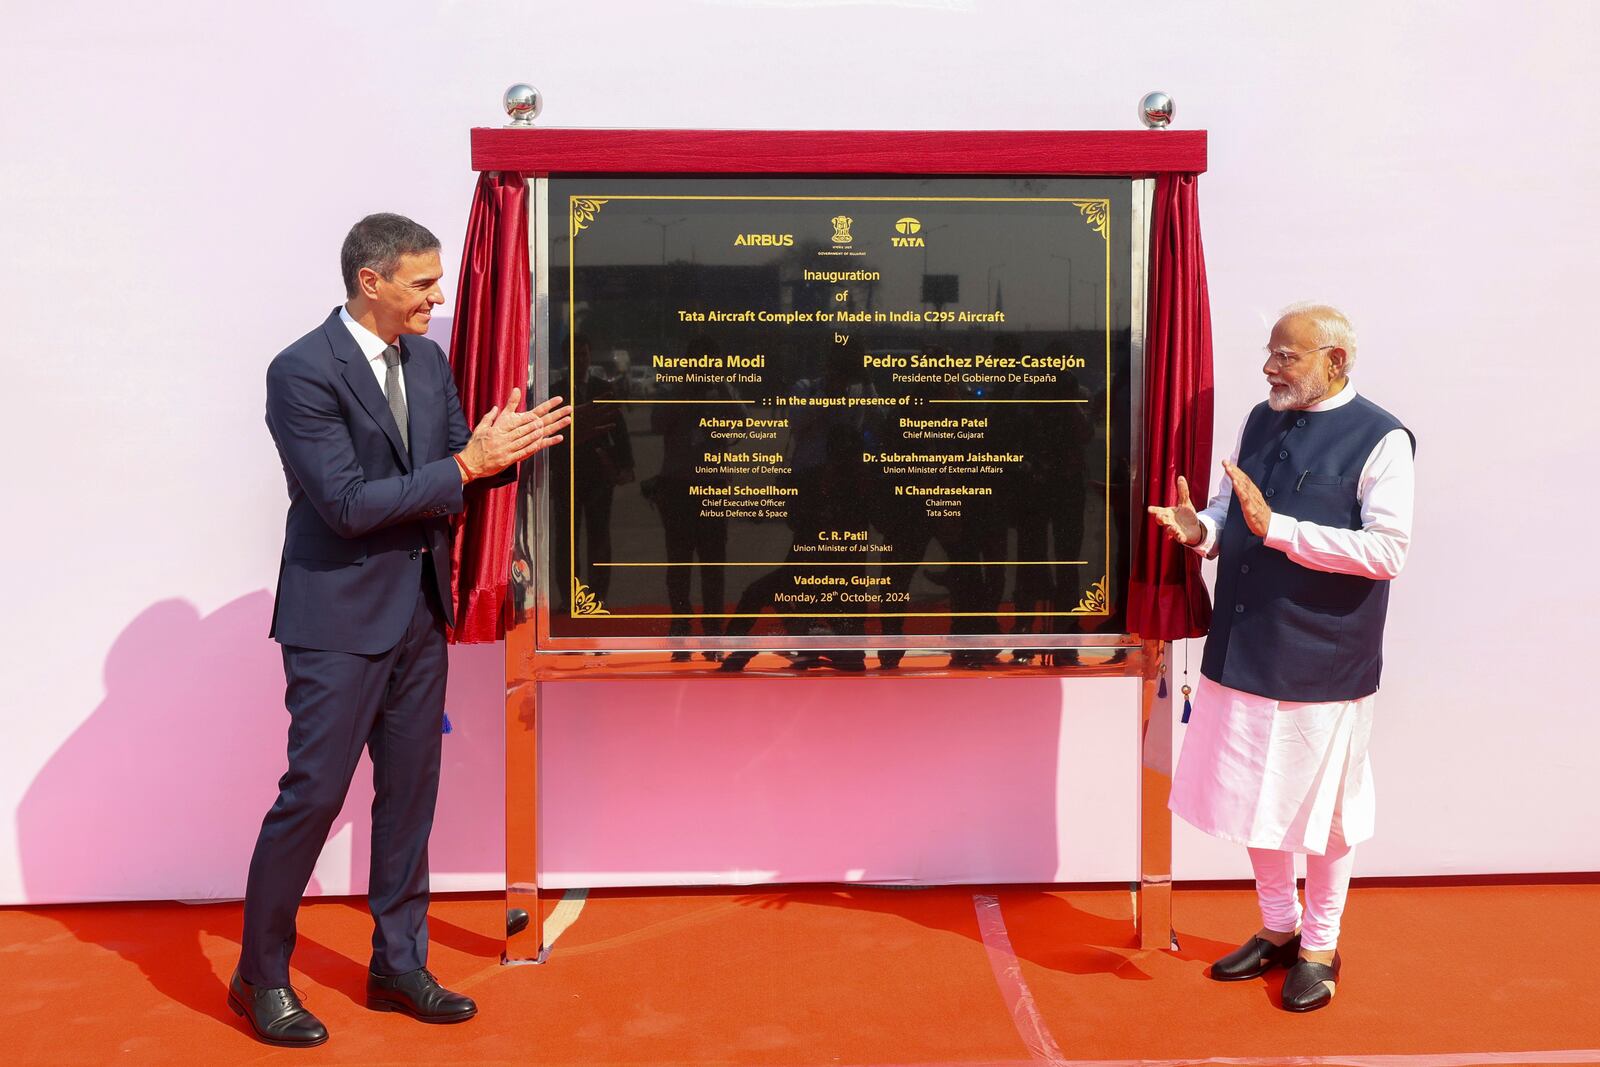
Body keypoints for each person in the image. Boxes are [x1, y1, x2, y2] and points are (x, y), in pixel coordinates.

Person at [232, 214, 572, 1047]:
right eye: (423, 283)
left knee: (409, 797)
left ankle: (397, 964)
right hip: (336, 621)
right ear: (370, 281)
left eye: (438, 279)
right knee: (311, 795)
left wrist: (501, 449)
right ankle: (260, 976)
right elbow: (346, 504)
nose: (438, 296)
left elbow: (461, 465)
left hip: (419, 614)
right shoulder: (302, 370)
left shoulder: (429, 360)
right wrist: (464, 465)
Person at [1148, 303, 1414, 1013]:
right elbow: (1234, 509)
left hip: (1323, 662)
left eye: (1285, 355)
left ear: (1335, 360)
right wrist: (1200, 527)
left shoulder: (1382, 439)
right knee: (1250, 798)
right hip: (1244, 646)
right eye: (1269, 352)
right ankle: (1278, 927)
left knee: (1323, 815)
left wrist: (1280, 530)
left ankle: (1321, 948)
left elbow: (1389, 551)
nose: (1269, 367)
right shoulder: (1261, 418)